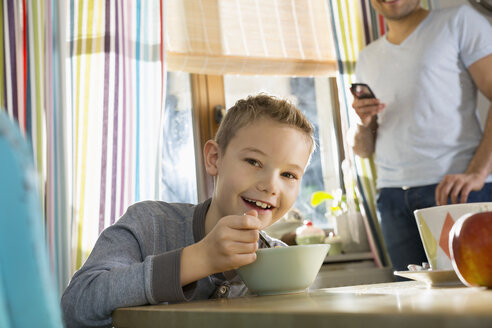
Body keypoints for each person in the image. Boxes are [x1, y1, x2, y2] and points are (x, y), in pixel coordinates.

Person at [61, 94, 315, 327]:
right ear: (214, 158)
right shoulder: (149, 225)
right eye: (253, 161)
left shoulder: (280, 259)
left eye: (288, 174)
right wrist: (198, 259)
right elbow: (76, 307)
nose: (271, 185)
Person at [351, 0, 492, 272]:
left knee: (470, 301)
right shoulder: (367, 56)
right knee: (412, 306)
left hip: (456, 190)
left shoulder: (459, 20)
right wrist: (363, 122)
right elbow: (363, 149)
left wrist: (477, 173)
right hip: (392, 198)